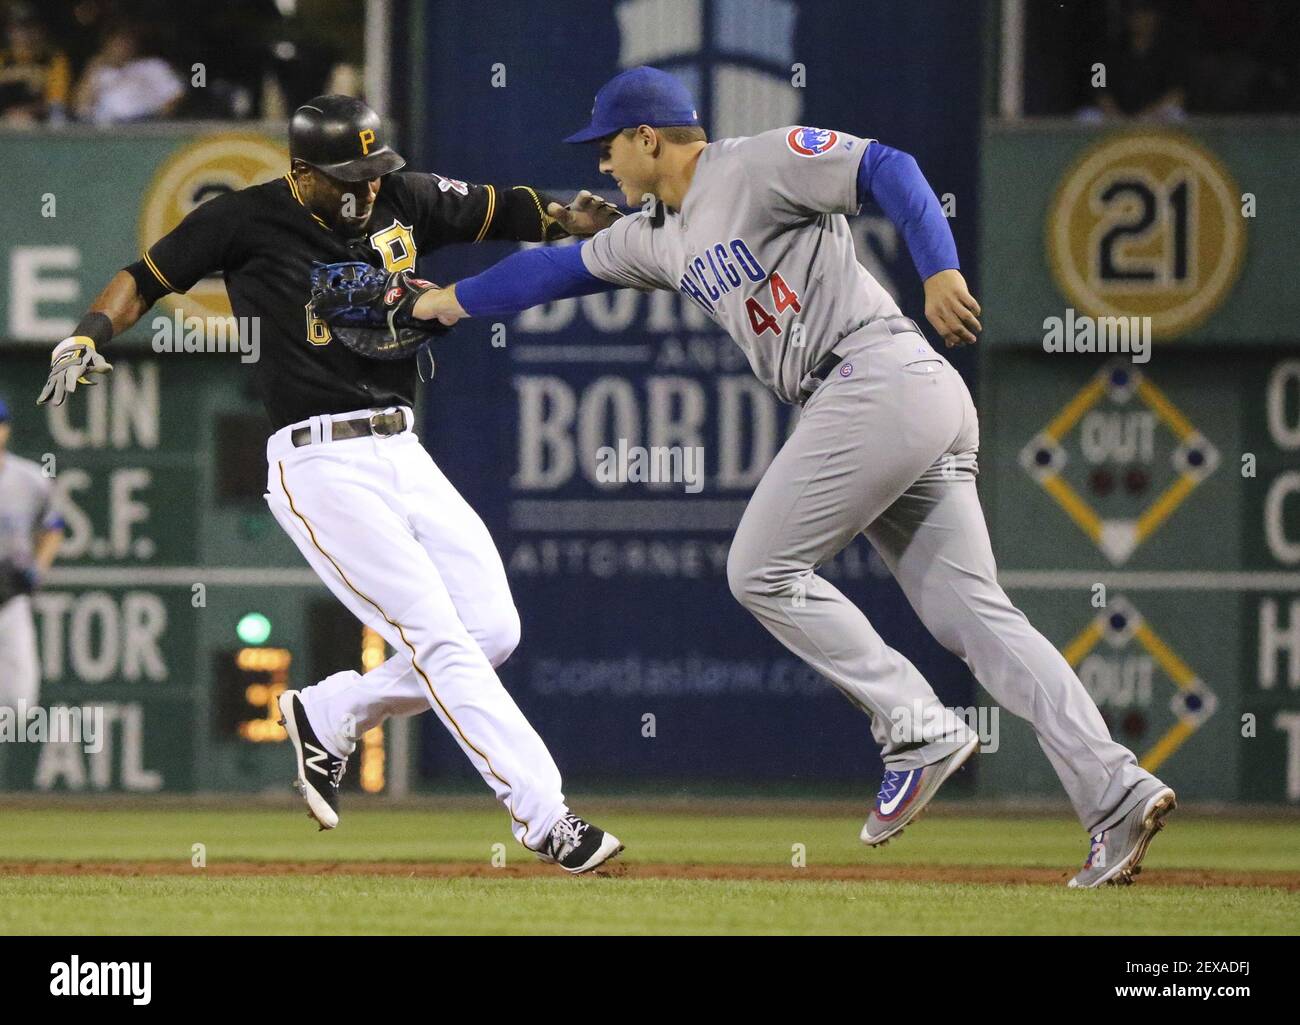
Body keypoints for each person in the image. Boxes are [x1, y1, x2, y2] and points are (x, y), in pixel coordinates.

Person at [408, 67, 1177, 888]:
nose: (600, 165)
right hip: (886, 400)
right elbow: (550, 274)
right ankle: (1117, 790)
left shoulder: (754, 163)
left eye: (606, 147)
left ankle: (918, 728)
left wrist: (940, 267)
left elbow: (890, 166)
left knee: (760, 568)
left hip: (876, 375)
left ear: (648, 137)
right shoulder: (655, 234)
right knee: (979, 619)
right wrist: (443, 304)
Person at [35, 95, 625, 874]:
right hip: (317, 460)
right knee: (437, 635)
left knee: (493, 631)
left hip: (401, 446)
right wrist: (89, 330)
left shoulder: (403, 196)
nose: (368, 189)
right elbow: (145, 277)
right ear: (303, 172)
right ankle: (548, 817)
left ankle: (331, 707)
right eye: (350, 175)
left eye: (375, 171)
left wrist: (565, 219)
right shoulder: (246, 218)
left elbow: (500, 209)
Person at [0, 397, 65, 712]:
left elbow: (53, 528)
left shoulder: (29, 480)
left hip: (9, 594)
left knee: (21, 704)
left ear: (6, 430)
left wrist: (37, 570)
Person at [71, 22, 184, 125]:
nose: (123, 47)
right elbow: (80, 109)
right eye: (117, 43)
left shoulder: (153, 66)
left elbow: (175, 96)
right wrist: (93, 68)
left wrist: (158, 120)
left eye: (127, 42)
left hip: (145, 125)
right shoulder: (99, 71)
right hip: (106, 129)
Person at [0, 8, 72, 125]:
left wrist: (26, 111)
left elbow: (57, 102)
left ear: (40, 31)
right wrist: (13, 76)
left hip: (40, 126)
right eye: (19, 29)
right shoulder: (3, 58)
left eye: (30, 28)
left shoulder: (53, 59)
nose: (25, 35)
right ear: (9, 32)